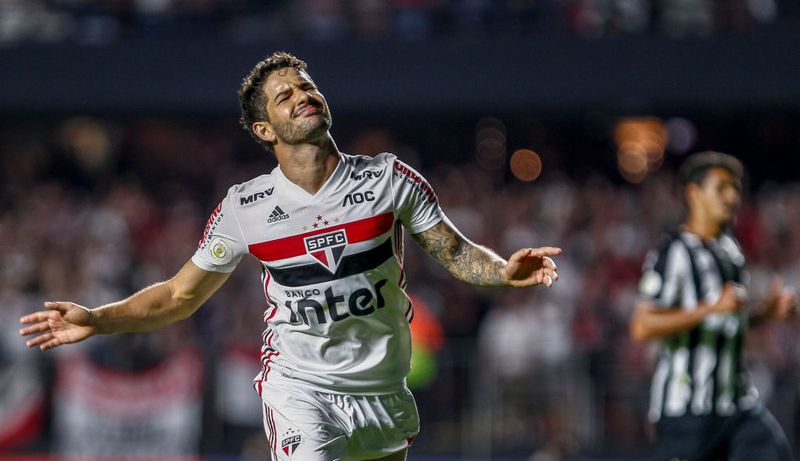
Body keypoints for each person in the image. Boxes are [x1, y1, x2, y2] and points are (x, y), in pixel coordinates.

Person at [19, 51, 561, 461]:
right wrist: (98, 319)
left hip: (383, 393)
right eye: (285, 96)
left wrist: (503, 271)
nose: (303, 95)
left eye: (307, 86)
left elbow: (455, 251)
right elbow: (179, 296)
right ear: (264, 129)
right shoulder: (245, 207)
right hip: (301, 388)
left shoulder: (389, 179)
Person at [629, 151, 798, 461]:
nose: (732, 197)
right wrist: (709, 308)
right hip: (687, 409)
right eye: (721, 188)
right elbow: (643, 326)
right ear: (694, 193)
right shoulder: (673, 252)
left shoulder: (730, 250)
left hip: (737, 405)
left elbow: (728, 321)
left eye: (735, 188)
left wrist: (766, 313)